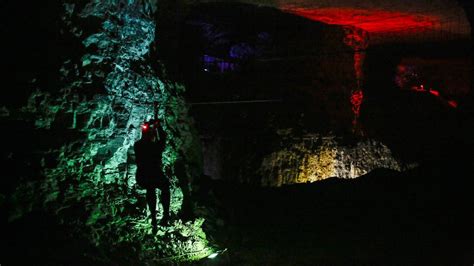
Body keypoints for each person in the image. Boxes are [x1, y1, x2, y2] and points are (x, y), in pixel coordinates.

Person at [134, 119, 170, 232]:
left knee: (150, 189)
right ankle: (165, 215)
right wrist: (158, 126)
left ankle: (154, 218)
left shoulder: (138, 145)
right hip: (154, 172)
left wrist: (148, 127)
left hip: (142, 174)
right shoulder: (156, 146)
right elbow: (163, 138)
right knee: (165, 187)